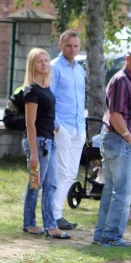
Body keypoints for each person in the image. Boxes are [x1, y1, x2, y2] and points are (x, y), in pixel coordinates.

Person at [93, 43, 131, 247]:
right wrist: (130, 138)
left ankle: (102, 236)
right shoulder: (121, 80)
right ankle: (111, 237)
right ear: (128, 59)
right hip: (119, 139)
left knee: (112, 190)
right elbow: (115, 115)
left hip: (117, 139)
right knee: (124, 193)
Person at [21, 48, 68, 240]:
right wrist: (33, 152)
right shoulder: (32, 91)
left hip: (49, 141)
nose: (45, 64)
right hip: (39, 143)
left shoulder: (46, 87)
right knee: (35, 184)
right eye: (40, 61)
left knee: (52, 185)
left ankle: (50, 225)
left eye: (47, 61)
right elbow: (30, 124)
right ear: (32, 65)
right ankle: (30, 223)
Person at [50, 30, 85, 231]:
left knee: (71, 173)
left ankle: (57, 213)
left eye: (76, 46)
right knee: (62, 172)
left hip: (78, 128)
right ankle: (55, 215)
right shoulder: (54, 68)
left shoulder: (80, 70)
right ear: (60, 45)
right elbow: (50, 97)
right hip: (62, 127)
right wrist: (57, 126)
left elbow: (81, 98)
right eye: (68, 45)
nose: (72, 49)